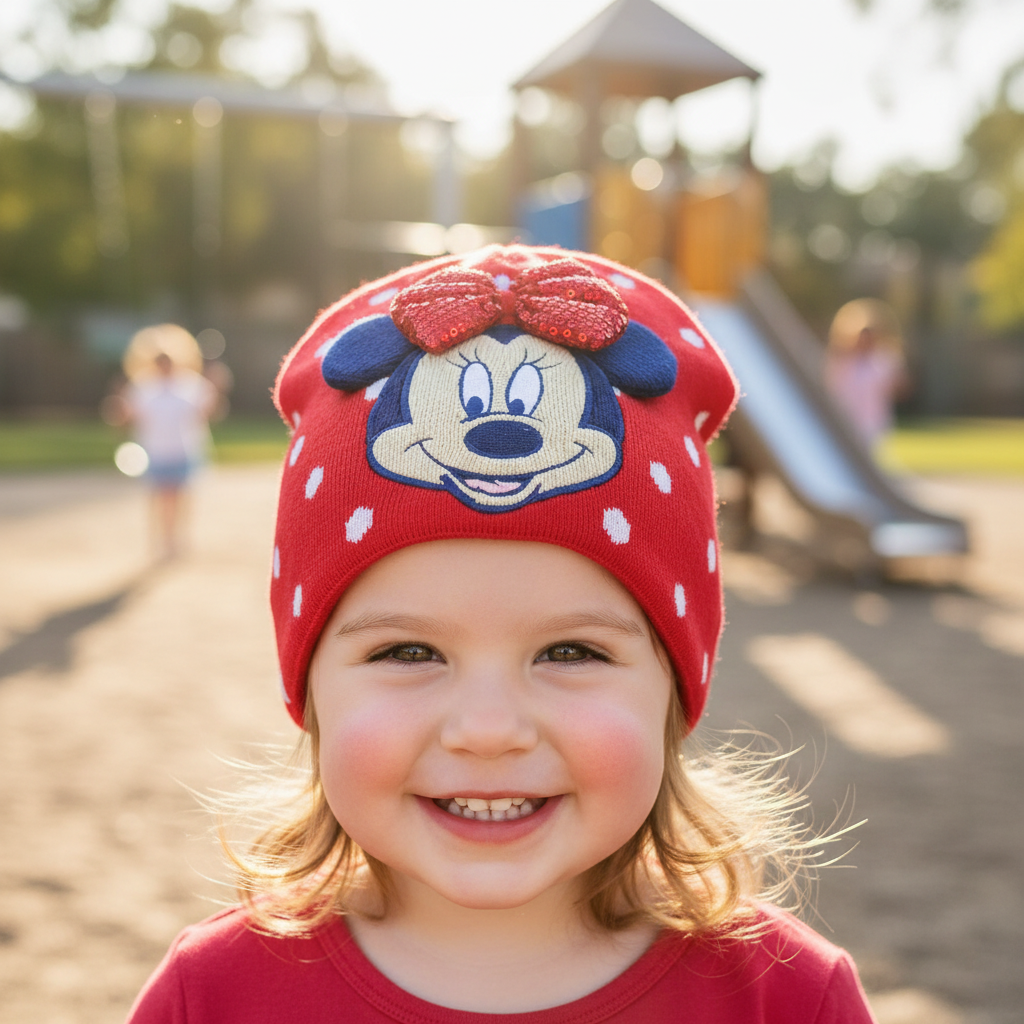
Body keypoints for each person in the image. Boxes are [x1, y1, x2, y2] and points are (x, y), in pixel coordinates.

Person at [127, 246, 877, 1023]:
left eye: (571, 652)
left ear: (675, 689)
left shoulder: (785, 999)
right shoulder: (215, 997)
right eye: (408, 652)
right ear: (309, 685)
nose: (488, 730)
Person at [119, 324, 219, 559]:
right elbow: (129, 415)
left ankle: (179, 538)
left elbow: (204, 412)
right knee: (160, 497)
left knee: (182, 496)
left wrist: (215, 391)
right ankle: (162, 539)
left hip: (184, 448)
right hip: (156, 450)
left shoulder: (191, 384)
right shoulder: (143, 387)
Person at [824, 298, 907, 450]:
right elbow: (831, 387)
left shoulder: (883, 361)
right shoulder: (844, 362)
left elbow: (900, 388)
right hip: (847, 420)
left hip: (874, 422)